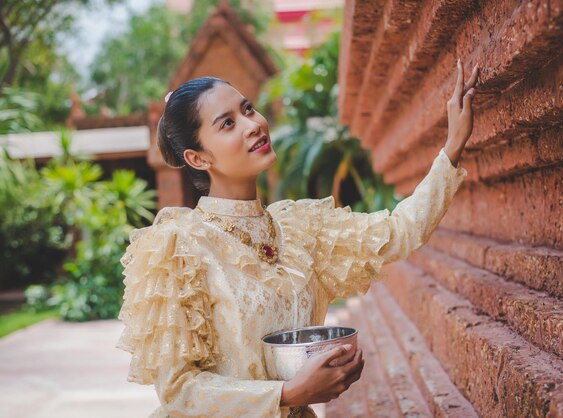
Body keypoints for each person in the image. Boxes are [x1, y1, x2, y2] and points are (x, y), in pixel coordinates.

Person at [116, 58, 479, 418]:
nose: (253, 125)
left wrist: (452, 149)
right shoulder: (178, 247)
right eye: (228, 124)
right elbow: (178, 390)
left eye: (249, 109)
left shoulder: (301, 229)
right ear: (198, 158)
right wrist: (288, 393)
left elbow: (399, 234)